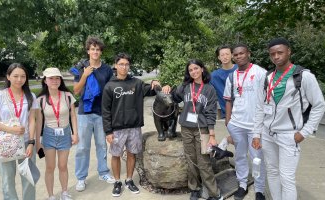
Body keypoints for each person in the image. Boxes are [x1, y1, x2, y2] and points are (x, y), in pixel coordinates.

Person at [252, 38, 325, 200]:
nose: (276, 57)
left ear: (289, 51)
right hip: (268, 133)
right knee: (272, 172)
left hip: (289, 135)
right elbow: (260, 107)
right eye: (272, 54)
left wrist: (305, 132)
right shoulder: (268, 77)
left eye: (280, 52)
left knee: (286, 177)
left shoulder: (303, 76)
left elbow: (319, 105)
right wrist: (256, 133)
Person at [102, 53, 163, 197]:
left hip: (134, 127)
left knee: (132, 154)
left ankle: (129, 180)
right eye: (121, 64)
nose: (124, 67)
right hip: (117, 129)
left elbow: (152, 89)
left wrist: (155, 82)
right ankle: (117, 182)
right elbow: (105, 112)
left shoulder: (137, 83)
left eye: (126, 64)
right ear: (116, 66)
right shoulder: (109, 86)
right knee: (116, 155)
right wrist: (108, 131)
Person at [162, 59, 223, 200]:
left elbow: (211, 113)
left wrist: (212, 134)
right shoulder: (185, 86)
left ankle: (214, 193)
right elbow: (173, 97)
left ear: (202, 69)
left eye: (196, 68)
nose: (194, 72)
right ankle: (195, 188)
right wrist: (166, 87)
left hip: (202, 130)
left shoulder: (209, 89)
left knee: (204, 162)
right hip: (186, 128)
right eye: (191, 70)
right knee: (191, 161)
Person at [0, 63, 38, 200]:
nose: (19, 79)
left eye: (23, 76)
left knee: (29, 178)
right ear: (8, 77)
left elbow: (32, 120)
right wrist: (12, 130)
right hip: (6, 143)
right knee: (7, 180)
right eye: (15, 76)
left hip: (27, 142)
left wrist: (32, 142)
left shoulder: (31, 96)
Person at [71, 36, 115, 192]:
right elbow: (76, 91)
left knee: (102, 145)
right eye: (92, 49)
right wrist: (85, 75)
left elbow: (112, 90)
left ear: (101, 52)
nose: (95, 51)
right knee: (82, 147)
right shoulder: (81, 67)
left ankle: (103, 172)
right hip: (85, 112)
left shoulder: (107, 69)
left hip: (102, 112)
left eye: (98, 49)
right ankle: (81, 178)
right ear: (88, 51)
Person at [223, 44, 267, 200]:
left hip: (255, 126)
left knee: (257, 158)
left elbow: (267, 99)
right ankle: (242, 184)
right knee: (240, 156)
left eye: (242, 53)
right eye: (236, 54)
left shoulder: (260, 73)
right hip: (237, 124)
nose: (239, 56)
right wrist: (228, 121)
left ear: (248, 53)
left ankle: (259, 189)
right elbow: (228, 100)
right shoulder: (232, 76)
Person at [35, 67, 79, 200]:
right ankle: (51, 195)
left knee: (63, 165)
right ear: (45, 81)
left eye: (57, 78)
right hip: (49, 135)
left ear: (60, 80)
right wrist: (38, 142)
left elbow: (72, 115)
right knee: (50, 167)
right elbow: (39, 122)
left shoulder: (67, 96)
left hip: (65, 134)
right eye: (51, 78)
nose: (54, 81)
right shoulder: (40, 100)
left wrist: (75, 133)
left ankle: (64, 192)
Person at [210, 45, 238, 119]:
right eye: (222, 55)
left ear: (232, 55)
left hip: (243, 112)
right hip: (226, 114)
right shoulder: (214, 76)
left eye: (227, 54)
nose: (225, 57)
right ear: (219, 57)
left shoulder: (240, 69)